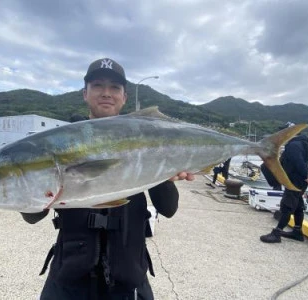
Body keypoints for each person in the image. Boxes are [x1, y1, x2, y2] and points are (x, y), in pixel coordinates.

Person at [21, 58, 194, 300]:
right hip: (70, 278)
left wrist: (166, 174)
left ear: (124, 97)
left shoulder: (147, 139)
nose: (106, 93)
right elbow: (32, 216)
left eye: (114, 88)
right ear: (85, 93)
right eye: (98, 86)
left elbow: (168, 209)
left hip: (128, 280)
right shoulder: (63, 142)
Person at [260, 122, 308, 243]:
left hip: (294, 181)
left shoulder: (293, 145)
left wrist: (305, 176)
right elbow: (300, 162)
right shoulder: (301, 143)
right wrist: (305, 177)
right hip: (300, 180)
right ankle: (297, 232)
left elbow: (298, 162)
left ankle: (276, 234)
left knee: (286, 206)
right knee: (298, 207)